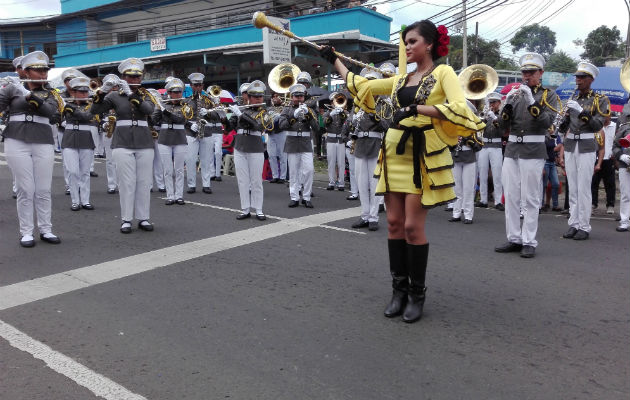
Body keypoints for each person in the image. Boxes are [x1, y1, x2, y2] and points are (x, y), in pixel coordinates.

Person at [320, 20, 483, 322]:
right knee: (394, 223)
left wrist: (419, 109)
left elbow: (461, 107)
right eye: (405, 42)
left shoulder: (443, 73)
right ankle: (399, 291)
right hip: (393, 152)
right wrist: (335, 60)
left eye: (412, 41)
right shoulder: (399, 79)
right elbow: (361, 85)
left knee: (412, 227)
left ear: (429, 45)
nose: (407, 47)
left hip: (420, 155)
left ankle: (417, 294)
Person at [494, 52, 560, 258]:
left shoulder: (548, 96)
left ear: (541, 73)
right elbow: (502, 127)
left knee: (530, 198)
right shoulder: (515, 94)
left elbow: (547, 123)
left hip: (533, 149)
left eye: (531, 72)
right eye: (524, 72)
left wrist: (533, 102)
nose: (527, 76)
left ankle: (529, 240)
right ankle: (514, 237)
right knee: (511, 196)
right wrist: (506, 107)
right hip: (512, 148)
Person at [0, 51, 64, 247]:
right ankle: (26, 232)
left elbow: (52, 113)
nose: (43, 73)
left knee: (43, 188)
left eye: (45, 69)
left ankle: (46, 229)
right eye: (38, 70)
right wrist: (7, 90)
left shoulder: (52, 93)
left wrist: (29, 95)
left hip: (43, 140)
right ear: (26, 71)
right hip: (16, 139)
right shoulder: (12, 89)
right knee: (25, 188)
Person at [90, 57, 156, 234]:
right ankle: (126, 219)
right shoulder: (113, 95)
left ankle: (143, 218)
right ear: (123, 77)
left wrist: (132, 95)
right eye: (130, 76)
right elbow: (94, 111)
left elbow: (149, 111)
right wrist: (102, 91)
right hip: (122, 142)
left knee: (143, 182)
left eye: (137, 76)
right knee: (126, 182)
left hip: (144, 141)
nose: (134, 80)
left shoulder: (147, 95)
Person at [558, 62, 610, 241]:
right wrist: (563, 119)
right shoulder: (573, 98)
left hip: (587, 145)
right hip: (571, 144)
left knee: (584, 187)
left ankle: (584, 226)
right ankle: (573, 223)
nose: (577, 80)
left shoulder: (600, 99)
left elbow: (597, 125)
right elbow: (565, 128)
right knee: (572, 187)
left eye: (581, 77)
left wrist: (581, 112)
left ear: (591, 79)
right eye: (577, 77)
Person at [348, 67, 391, 231]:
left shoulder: (383, 104)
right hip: (360, 144)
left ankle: (373, 217)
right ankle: (364, 215)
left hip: (375, 144)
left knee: (374, 184)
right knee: (361, 183)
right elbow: (350, 121)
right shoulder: (358, 102)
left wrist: (375, 116)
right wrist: (354, 119)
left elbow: (388, 125)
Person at [228, 80, 273, 220]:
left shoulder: (264, 112)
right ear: (249, 97)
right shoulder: (242, 109)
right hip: (240, 146)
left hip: (255, 147)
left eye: (260, 96)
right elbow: (231, 127)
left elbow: (258, 127)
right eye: (256, 96)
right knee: (242, 180)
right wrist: (224, 118)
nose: (259, 99)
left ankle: (258, 209)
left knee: (256, 180)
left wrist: (241, 115)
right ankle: (245, 209)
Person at [278, 83, 319, 208]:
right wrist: (293, 116)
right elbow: (282, 125)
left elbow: (317, 128)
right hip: (292, 142)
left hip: (306, 143)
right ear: (292, 97)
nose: (299, 99)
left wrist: (309, 116)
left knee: (309, 170)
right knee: (294, 172)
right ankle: (294, 197)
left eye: (301, 96)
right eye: (296, 96)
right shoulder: (287, 109)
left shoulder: (309, 109)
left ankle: (306, 197)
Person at [61, 76, 97, 211]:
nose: (84, 94)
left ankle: (85, 201)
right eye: (81, 92)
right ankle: (75, 201)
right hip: (70, 139)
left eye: (86, 92)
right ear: (74, 92)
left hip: (85, 139)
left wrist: (73, 110)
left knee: (85, 172)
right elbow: (57, 118)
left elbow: (87, 117)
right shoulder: (66, 104)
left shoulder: (91, 105)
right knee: (72, 171)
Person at [157, 78, 190, 205]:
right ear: (169, 93)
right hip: (164, 137)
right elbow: (155, 120)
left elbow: (181, 120)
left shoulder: (186, 106)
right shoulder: (162, 104)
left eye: (179, 92)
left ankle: (179, 195)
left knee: (179, 169)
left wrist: (165, 112)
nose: (177, 95)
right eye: (174, 92)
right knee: (167, 169)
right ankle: (170, 195)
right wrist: (156, 109)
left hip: (180, 137)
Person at [184, 72, 216, 194]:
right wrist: (189, 124)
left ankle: (206, 184)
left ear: (203, 86)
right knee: (190, 159)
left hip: (206, 131)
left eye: (200, 85)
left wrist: (207, 113)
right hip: (191, 131)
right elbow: (182, 116)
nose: (198, 87)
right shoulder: (186, 100)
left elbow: (217, 115)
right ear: (191, 86)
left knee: (206, 159)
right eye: (195, 85)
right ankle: (191, 184)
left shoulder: (209, 100)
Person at [476, 92, 504, 210]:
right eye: (490, 102)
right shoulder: (485, 114)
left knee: (497, 174)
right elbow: (478, 128)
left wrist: (494, 118)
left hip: (496, 145)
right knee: (482, 173)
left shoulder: (502, 115)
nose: (492, 104)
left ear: (499, 103)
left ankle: (498, 201)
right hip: (484, 145)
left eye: (494, 102)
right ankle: (483, 199)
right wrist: (483, 119)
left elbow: (503, 130)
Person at [99, 74, 120, 194]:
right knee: (110, 159)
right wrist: (102, 124)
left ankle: (122, 182)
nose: (113, 88)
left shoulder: (122, 97)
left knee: (123, 158)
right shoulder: (103, 100)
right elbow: (96, 115)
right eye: (111, 86)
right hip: (108, 128)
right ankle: (112, 184)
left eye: (115, 86)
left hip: (121, 127)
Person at [591, 114, 616, 214]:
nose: (605, 117)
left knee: (610, 183)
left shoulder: (615, 126)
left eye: (607, 115)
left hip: (609, 158)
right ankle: (593, 203)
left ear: (610, 115)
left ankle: (610, 204)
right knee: (594, 182)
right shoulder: (596, 127)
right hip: (596, 158)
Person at [324, 92, 348, 191]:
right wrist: (331, 115)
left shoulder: (344, 112)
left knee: (341, 162)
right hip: (330, 139)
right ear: (331, 102)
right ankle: (331, 182)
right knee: (331, 162)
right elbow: (324, 123)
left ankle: (341, 183)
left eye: (338, 100)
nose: (336, 102)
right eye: (335, 101)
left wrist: (342, 112)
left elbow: (347, 121)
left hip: (340, 140)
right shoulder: (327, 113)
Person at [612, 104, 630, 232]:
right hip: (626, 164)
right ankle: (624, 221)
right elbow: (615, 146)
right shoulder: (624, 127)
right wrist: (621, 156)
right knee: (625, 194)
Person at [267, 91, 288, 183]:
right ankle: (275, 176)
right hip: (271, 133)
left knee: (282, 155)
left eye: (277, 96)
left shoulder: (285, 108)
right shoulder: (269, 108)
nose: (275, 98)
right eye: (273, 96)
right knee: (272, 155)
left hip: (281, 132)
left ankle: (283, 177)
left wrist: (280, 116)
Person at [541, 133, 563, 212]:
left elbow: (560, 145)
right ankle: (541, 204)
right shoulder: (544, 136)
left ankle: (555, 205)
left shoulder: (555, 136)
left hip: (552, 162)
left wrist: (558, 157)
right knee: (543, 184)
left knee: (556, 183)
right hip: (545, 161)